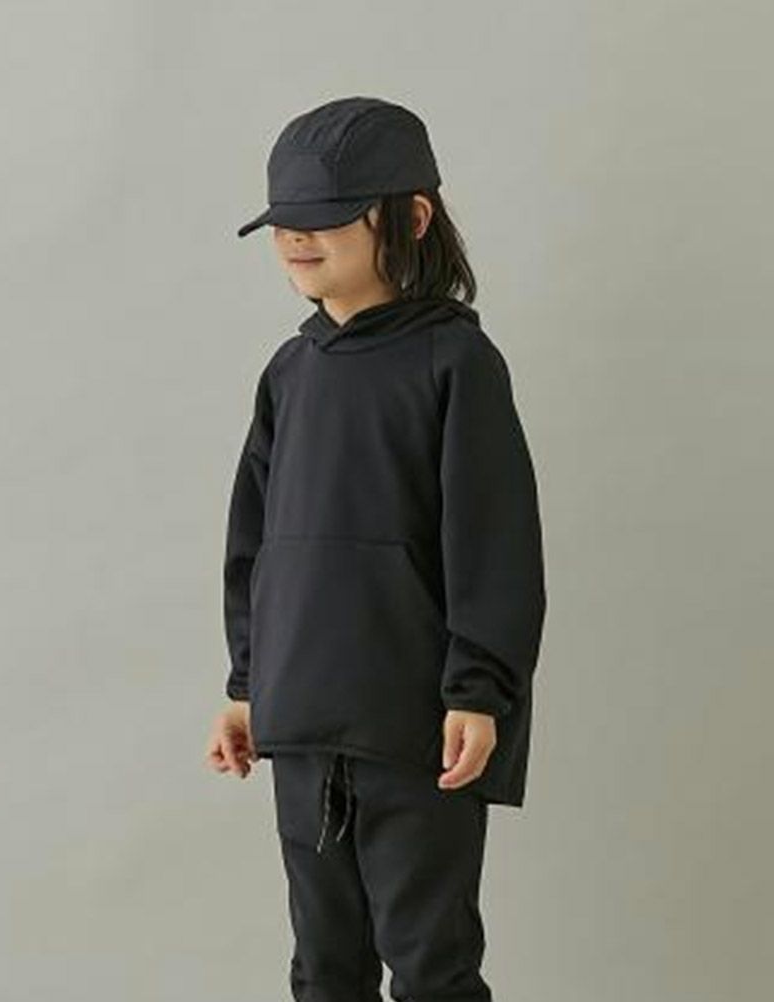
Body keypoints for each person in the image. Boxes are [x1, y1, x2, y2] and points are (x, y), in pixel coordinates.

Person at [205, 95, 547, 1002]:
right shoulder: (291, 372)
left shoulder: (455, 365)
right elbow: (257, 543)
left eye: (323, 217)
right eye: (283, 221)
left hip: (414, 726)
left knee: (431, 965)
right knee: (325, 968)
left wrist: (478, 691)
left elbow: (495, 543)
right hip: (301, 718)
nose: (295, 238)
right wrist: (247, 684)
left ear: (412, 217)